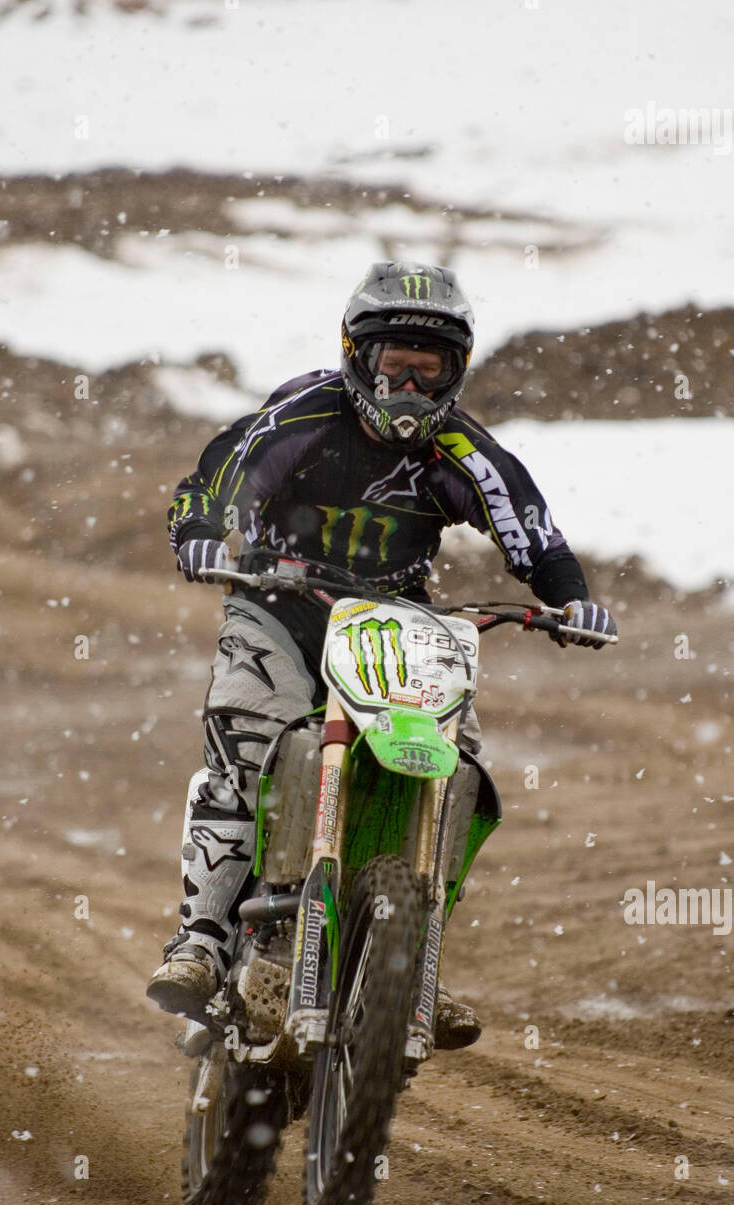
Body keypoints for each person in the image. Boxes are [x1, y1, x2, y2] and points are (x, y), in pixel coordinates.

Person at [146, 261, 616, 1048]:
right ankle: (202, 940)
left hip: (391, 622)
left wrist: (567, 598)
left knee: (453, 760)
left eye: (427, 371)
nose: (407, 388)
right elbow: (212, 482)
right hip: (277, 607)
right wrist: (199, 535)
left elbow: (532, 533)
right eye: (393, 366)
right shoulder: (305, 415)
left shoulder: (463, 450)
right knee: (252, 740)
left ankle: (411, 959)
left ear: (454, 374)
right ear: (356, 357)